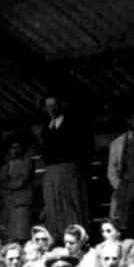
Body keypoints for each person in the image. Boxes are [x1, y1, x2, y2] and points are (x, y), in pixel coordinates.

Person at [38, 96, 92, 238]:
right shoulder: (46, 128)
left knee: (71, 205)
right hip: (52, 172)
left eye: (54, 105)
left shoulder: (71, 124)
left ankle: (76, 236)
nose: (51, 109)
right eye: (48, 106)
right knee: (53, 206)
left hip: (68, 170)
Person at [0, 138, 36, 243]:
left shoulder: (27, 163)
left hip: (22, 202)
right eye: (12, 148)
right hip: (8, 205)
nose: (15, 150)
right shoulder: (5, 167)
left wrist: (8, 185)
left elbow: (22, 182)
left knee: (22, 235)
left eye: (18, 147)